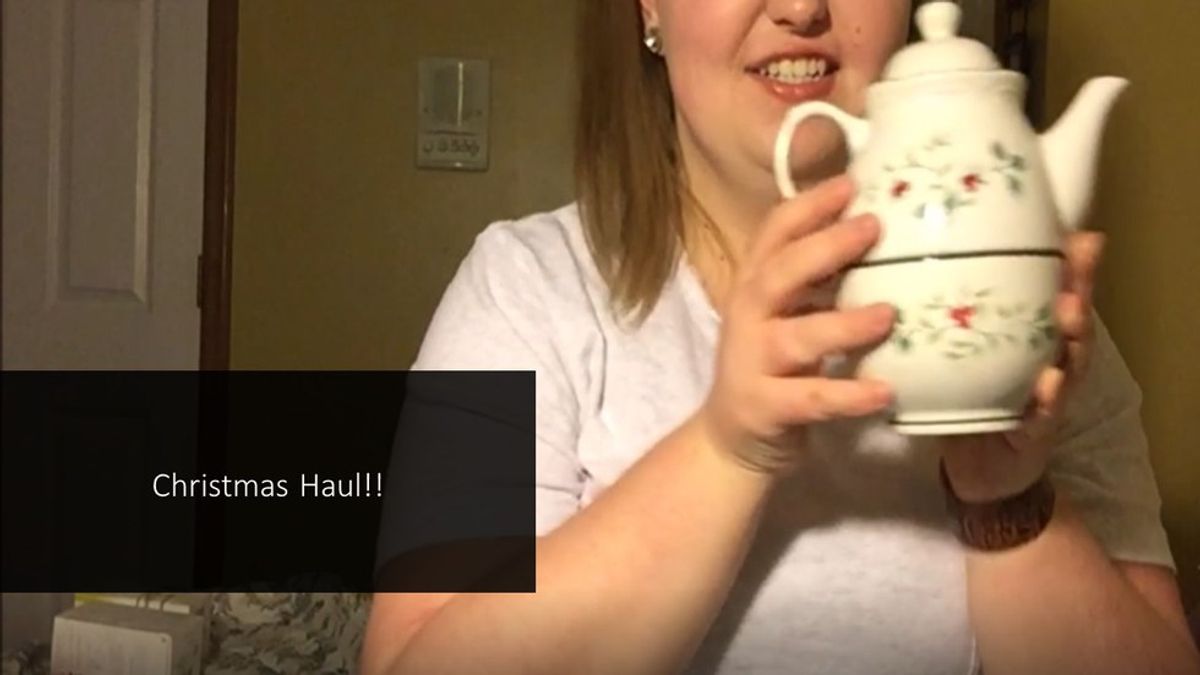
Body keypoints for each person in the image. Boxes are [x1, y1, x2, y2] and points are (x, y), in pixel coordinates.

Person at [362, 1, 1200, 673]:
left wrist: (1006, 499)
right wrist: (726, 447)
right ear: (647, 8)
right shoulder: (524, 291)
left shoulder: (1023, 311)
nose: (801, 8)